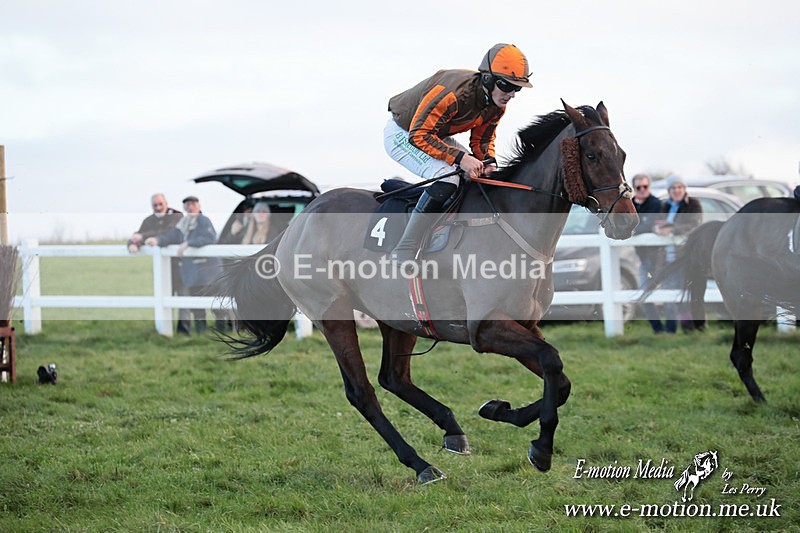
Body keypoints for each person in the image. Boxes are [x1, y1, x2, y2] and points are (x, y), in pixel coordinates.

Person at [385, 43, 533, 263]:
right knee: (450, 178)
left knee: (481, 175)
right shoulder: (451, 94)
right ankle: (405, 248)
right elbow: (418, 135)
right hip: (405, 133)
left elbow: (482, 140)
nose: (511, 94)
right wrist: (461, 158)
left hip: (433, 134)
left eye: (517, 88)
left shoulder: (496, 104)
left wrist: (489, 162)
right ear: (488, 79)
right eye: (506, 86)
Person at [145, 196, 224, 335]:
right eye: (187, 205)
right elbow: (171, 236)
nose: (190, 207)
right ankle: (201, 334)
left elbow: (209, 238)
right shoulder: (183, 223)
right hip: (193, 273)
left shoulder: (204, 221)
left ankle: (225, 332)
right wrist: (157, 240)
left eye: (193, 204)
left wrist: (188, 243)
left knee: (218, 305)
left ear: (199, 205)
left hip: (209, 273)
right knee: (197, 306)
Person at [128, 194, 192, 334]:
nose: (158, 207)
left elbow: (169, 233)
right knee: (164, 299)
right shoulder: (149, 220)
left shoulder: (176, 216)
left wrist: (147, 237)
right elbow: (137, 235)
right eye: (155, 205)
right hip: (163, 270)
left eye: (160, 204)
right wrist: (133, 244)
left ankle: (184, 332)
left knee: (183, 300)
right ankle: (165, 331)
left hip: (181, 266)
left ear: (166, 203)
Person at [653, 175, 703, 333]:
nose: (677, 190)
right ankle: (671, 329)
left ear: (684, 188)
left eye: (679, 187)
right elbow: (657, 223)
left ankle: (689, 329)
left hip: (684, 256)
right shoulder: (664, 206)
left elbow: (694, 224)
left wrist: (673, 229)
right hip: (666, 257)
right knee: (667, 293)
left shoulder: (693, 205)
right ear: (669, 190)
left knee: (683, 294)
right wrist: (658, 229)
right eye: (673, 188)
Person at [631, 173, 664, 333]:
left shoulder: (656, 203)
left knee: (668, 295)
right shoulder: (630, 204)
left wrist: (633, 229)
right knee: (644, 293)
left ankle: (671, 330)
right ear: (634, 188)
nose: (642, 190)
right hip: (643, 258)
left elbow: (649, 224)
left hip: (659, 257)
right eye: (639, 187)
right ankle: (657, 329)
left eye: (645, 186)